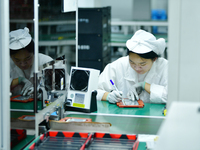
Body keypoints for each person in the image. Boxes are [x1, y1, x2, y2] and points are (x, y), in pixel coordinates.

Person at [97, 29, 168, 104]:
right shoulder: (118, 66)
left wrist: (144, 85)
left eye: (142, 64)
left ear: (154, 59)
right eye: (132, 62)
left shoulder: (165, 67)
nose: (137, 68)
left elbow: (174, 96)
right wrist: (107, 96)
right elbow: (94, 91)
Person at [10, 27, 53, 96]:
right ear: (11, 57)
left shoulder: (46, 62)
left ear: (34, 52)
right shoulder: (6, 65)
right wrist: (19, 80)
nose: (23, 64)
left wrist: (43, 93)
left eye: (28, 58)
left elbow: (65, 88)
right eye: (17, 60)